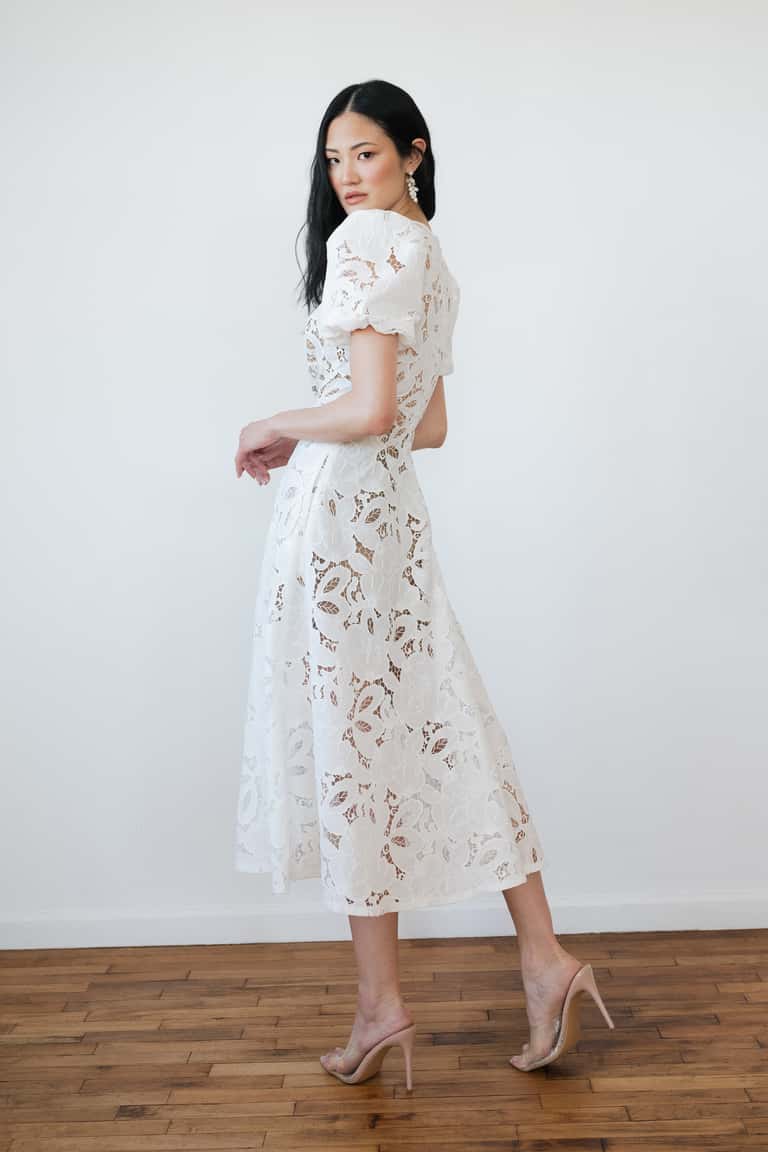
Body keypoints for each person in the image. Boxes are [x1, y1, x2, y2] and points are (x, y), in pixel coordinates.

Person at [233, 79, 614, 1086]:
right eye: (332, 160)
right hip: (393, 519)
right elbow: (424, 423)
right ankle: (544, 960)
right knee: (440, 719)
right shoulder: (429, 255)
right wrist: (343, 421)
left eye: (364, 153)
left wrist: (276, 424)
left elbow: (364, 408)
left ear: (414, 149)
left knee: (359, 750)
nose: (346, 177)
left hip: (340, 524)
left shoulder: (363, 248)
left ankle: (381, 1009)